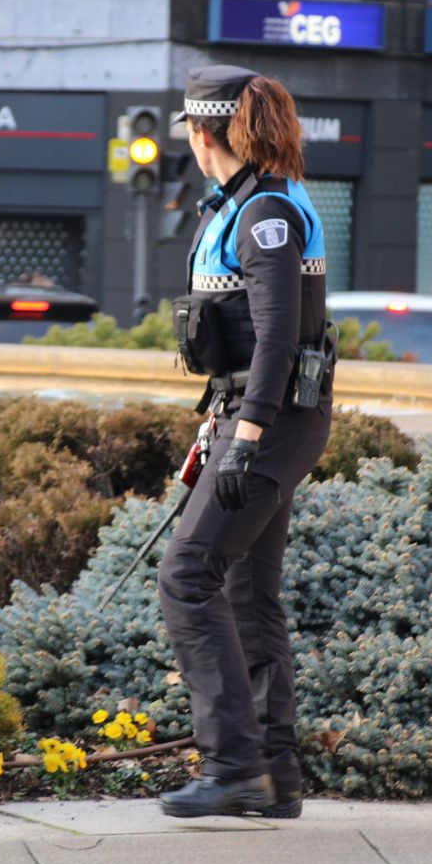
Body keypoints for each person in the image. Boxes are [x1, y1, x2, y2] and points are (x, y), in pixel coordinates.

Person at [157, 65, 333, 820]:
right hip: (262, 416)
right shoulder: (245, 203)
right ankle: (276, 778)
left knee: (187, 575)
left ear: (205, 134)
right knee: (247, 593)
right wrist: (227, 424)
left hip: (271, 420)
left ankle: (232, 765)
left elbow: (278, 336)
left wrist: (246, 435)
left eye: (191, 134)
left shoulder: (265, 213)